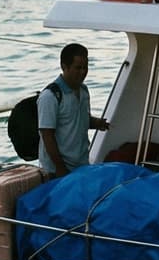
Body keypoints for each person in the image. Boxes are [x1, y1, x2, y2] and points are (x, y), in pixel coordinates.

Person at [36, 42, 107, 178]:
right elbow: (47, 135)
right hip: (57, 170)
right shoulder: (50, 96)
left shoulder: (84, 91)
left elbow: (80, 119)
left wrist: (97, 123)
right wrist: (60, 168)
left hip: (82, 164)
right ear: (64, 66)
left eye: (85, 67)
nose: (83, 72)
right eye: (78, 68)